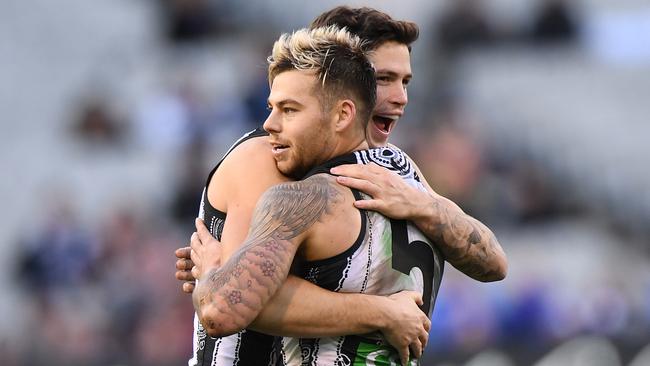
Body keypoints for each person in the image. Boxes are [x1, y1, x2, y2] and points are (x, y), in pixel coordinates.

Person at [175, 6, 507, 366]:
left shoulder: (394, 169)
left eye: (405, 81)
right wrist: (384, 313)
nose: (400, 98)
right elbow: (241, 300)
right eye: (382, 78)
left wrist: (424, 205)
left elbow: (493, 264)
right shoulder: (265, 158)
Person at [190, 25, 435, 365]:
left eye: (289, 109)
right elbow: (492, 261)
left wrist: (210, 273)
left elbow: (222, 308)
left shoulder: (300, 193)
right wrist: (436, 210)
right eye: (384, 80)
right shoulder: (410, 180)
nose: (270, 124)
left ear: (343, 112)